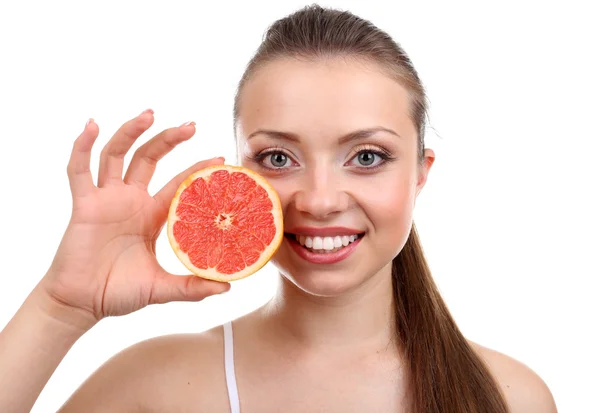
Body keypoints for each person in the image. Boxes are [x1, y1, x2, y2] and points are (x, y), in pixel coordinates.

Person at [0, 5, 557, 413]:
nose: (318, 200)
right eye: (277, 157)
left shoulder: (511, 398)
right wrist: (60, 308)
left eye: (367, 156)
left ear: (421, 174)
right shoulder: (157, 386)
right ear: (238, 175)